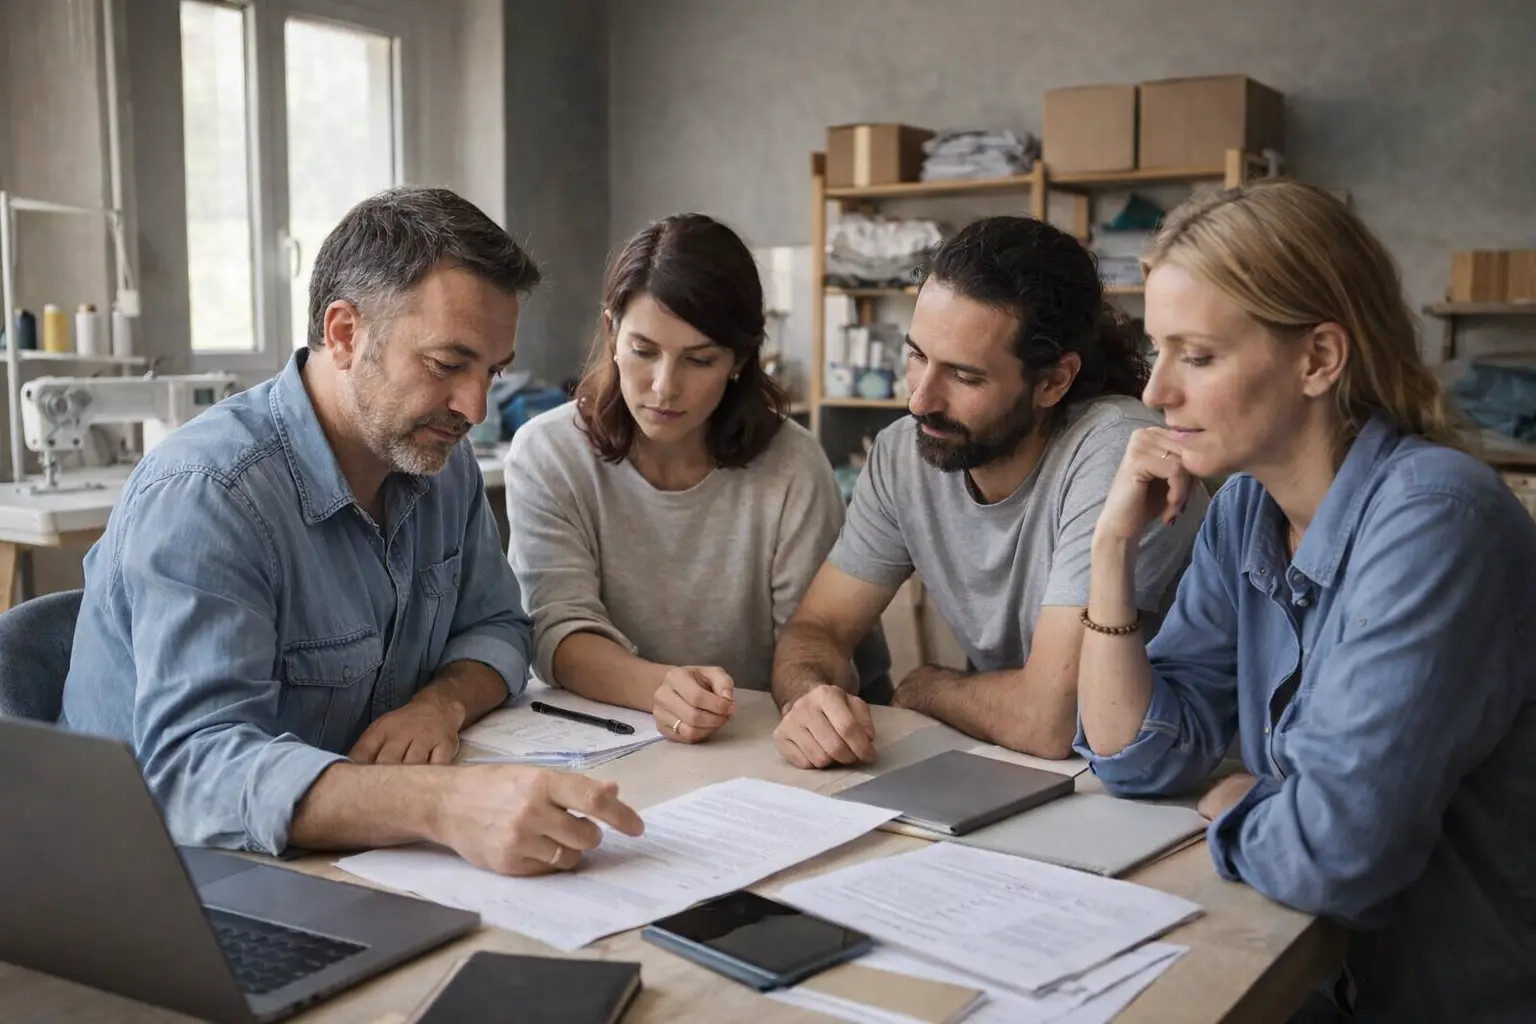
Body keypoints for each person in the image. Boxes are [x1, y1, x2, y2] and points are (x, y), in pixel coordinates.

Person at [60, 186, 643, 876]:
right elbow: (195, 770)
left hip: (345, 862)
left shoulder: (437, 462)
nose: (475, 407)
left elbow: (498, 627)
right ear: (343, 334)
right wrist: (439, 803)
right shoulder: (208, 496)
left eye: (493, 372)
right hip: (166, 881)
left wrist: (441, 705)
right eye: (448, 364)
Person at [1075, 180, 1536, 1022]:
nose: (1156, 393)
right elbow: (1137, 757)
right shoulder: (1248, 507)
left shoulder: (1437, 521)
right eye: (1157, 352)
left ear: (1320, 359)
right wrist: (1111, 552)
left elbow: (1334, 853)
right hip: (1308, 979)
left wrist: (1246, 802)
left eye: (1199, 356)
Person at [772, 216, 1205, 770]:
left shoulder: (1116, 450)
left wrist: (927, 686)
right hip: (1019, 765)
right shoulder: (904, 452)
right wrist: (809, 696)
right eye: (917, 356)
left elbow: (1051, 719)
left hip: (1164, 779)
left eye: (965, 377)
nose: (920, 401)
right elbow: (817, 628)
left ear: (1053, 381)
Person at [506, 213, 889, 743]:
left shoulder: (792, 465)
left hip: (759, 738)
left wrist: (812, 706)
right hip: (605, 737)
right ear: (612, 331)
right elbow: (557, 633)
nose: (665, 387)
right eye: (643, 351)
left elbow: (811, 643)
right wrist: (660, 688)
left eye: (699, 359)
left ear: (739, 360)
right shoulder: (547, 453)